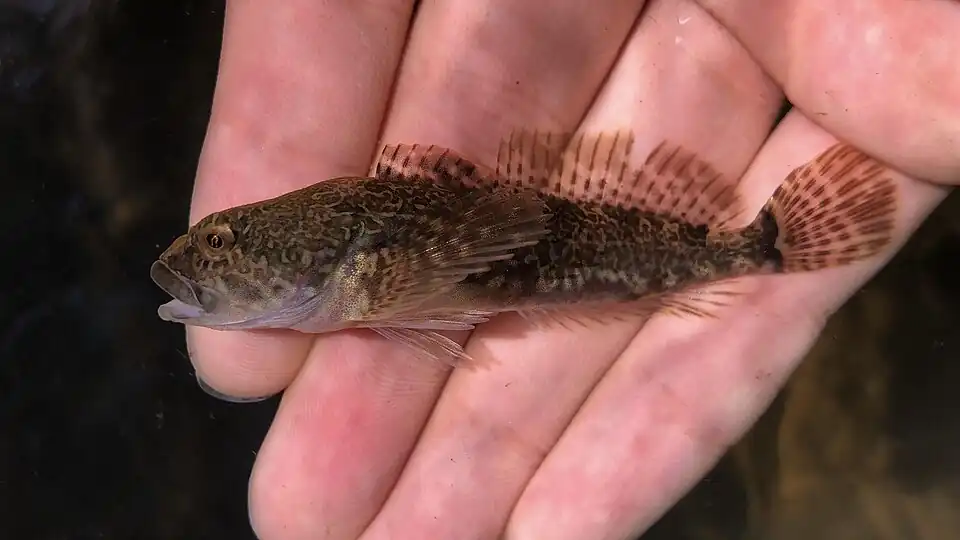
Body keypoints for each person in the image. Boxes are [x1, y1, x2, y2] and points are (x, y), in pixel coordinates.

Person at [183, 1, 958, 538]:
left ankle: (768, 244)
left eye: (223, 242)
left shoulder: (361, 267)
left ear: (309, 247)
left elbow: (467, 264)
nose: (206, 261)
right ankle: (761, 247)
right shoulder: (347, 261)